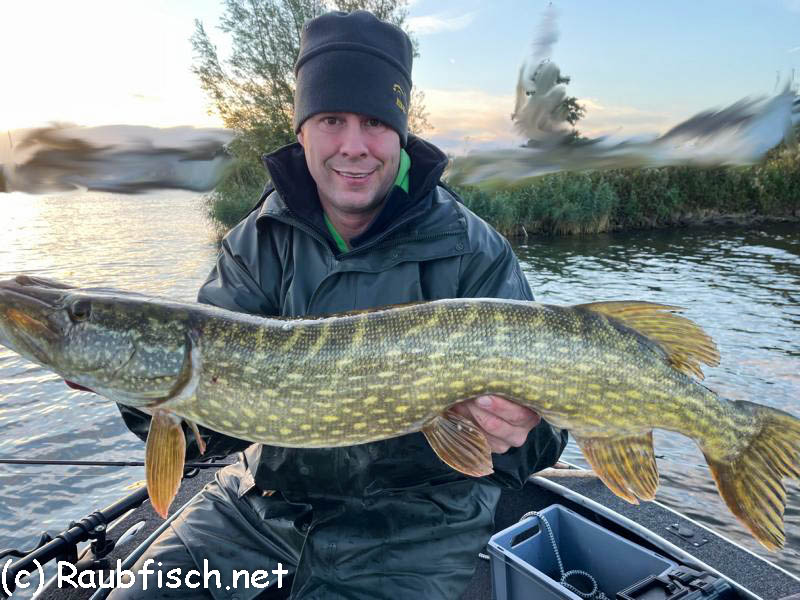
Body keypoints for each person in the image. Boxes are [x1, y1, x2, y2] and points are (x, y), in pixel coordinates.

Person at [112, 10, 567, 600]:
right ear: (302, 130)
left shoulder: (472, 251)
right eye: (331, 119)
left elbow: (546, 438)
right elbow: (210, 436)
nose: (354, 146)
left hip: (417, 530)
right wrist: (135, 385)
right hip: (262, 509)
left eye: (374, 122)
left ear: (400, 133)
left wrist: (522, 431)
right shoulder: (257, 242)